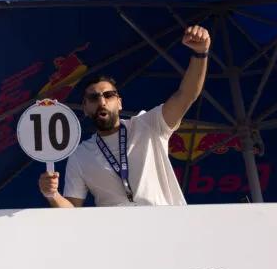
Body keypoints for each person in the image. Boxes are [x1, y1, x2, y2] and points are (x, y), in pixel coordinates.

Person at [38, 25, 210, 207]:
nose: (102, 102)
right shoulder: (80, 155)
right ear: (86, 108)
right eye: (94, 98)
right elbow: (73, 211)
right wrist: (52, 194)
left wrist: (201, 53)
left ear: (119, 103)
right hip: (117, 234)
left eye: (108, 95)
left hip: (166, 227)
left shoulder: (148, 125)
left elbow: (186, 94)